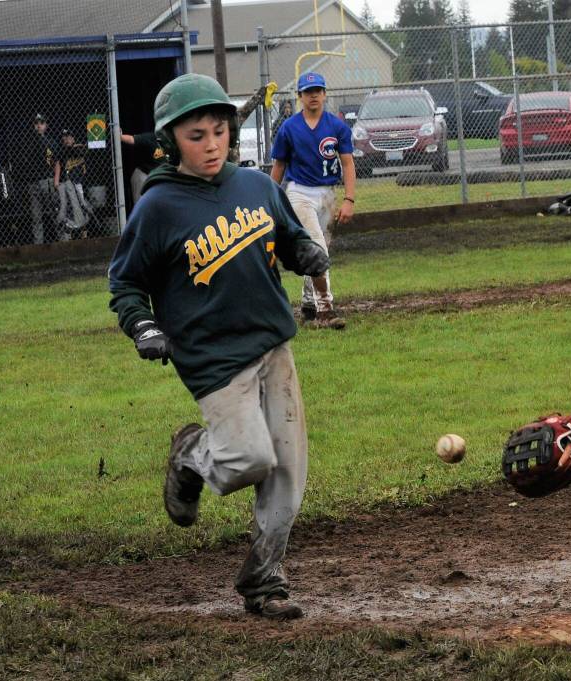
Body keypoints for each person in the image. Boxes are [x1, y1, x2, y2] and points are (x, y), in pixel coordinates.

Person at [108, 73, 330, 621]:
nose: (210, 144)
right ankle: (190, 454)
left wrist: (305, 253)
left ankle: (264, 581)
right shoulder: (158, 207)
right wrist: (143, 326)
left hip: (273, 346)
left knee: (287, 479)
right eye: (195, 135)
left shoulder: (254, 186)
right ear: (168, 141)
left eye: (218, 131)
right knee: (246, 458)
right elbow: (125, 282)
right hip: (212, 359)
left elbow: (285, 236)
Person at [270, 71, 356, 330]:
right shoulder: (289, 127)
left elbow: (348, 164)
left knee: (316, 251)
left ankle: (308, 302)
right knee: (317, 248)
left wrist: (349, 198)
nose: (314, 95)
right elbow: (279, 166)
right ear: (300, 97)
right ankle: (326, 309)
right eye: (308, 92)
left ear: (325, 93)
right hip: (299, 192)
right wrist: (267, 197)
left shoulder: (337, 126)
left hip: (328, 193)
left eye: (318, 90)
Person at [11, 113, 59, 244]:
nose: (39, 125)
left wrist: (55, 179)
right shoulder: (27, 142)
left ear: (46, 125)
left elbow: (57, 162)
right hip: (33, 182)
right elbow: (22, 161)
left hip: (47, 180)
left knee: (54, 213)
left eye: (42, 123)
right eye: (36, 123)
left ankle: (62, 241)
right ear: (33, 126)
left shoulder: (51, 142)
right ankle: (39, 245)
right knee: (36, 216)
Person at [55, 128, 92, 239]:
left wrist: (71, 146)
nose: (66, 139)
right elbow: (58, 163)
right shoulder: (61, 152)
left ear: (73, 138)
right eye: (64, 137)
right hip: (69, 184)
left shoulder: (79, 147)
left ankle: (84, 234)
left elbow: (80, 151)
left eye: (69, 136)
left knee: (83, 207)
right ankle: (69, 234)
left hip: (80, 184)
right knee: (71, 210)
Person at [120, 129, 166, 205]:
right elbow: (131, 139)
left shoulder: (174, 141)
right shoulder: (151, 137)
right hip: (143, 175)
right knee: (141, 204)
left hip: (158, 177)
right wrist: (120, 136)